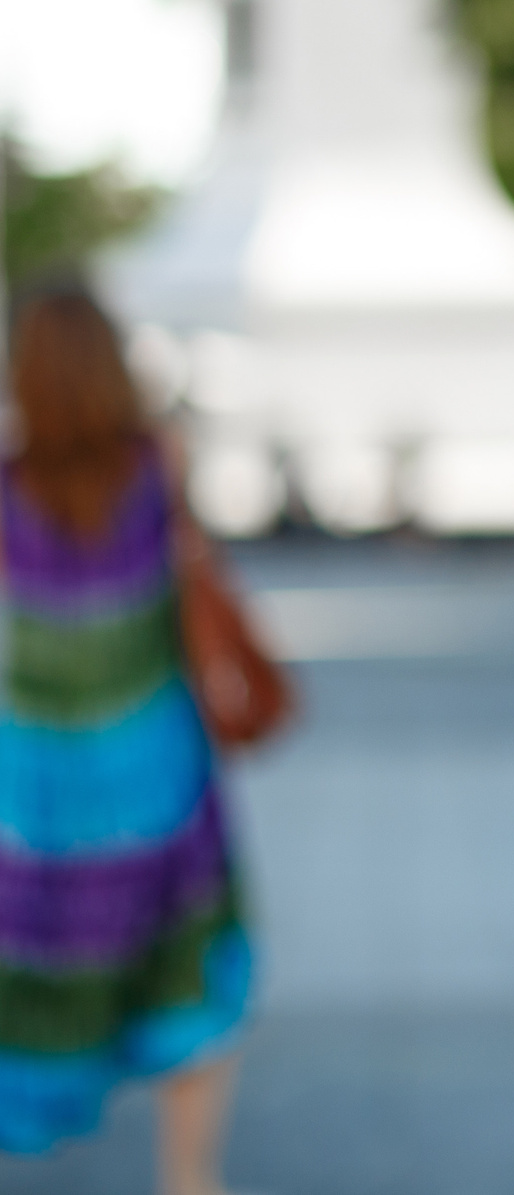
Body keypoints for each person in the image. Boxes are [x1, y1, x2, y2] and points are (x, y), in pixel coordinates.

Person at [0, 289, 254, 1194]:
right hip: (156, 770)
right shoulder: (159, 466)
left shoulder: (8, 487)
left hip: (33, 786)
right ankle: (190, 1177)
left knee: (27, 977)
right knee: (190, 969)